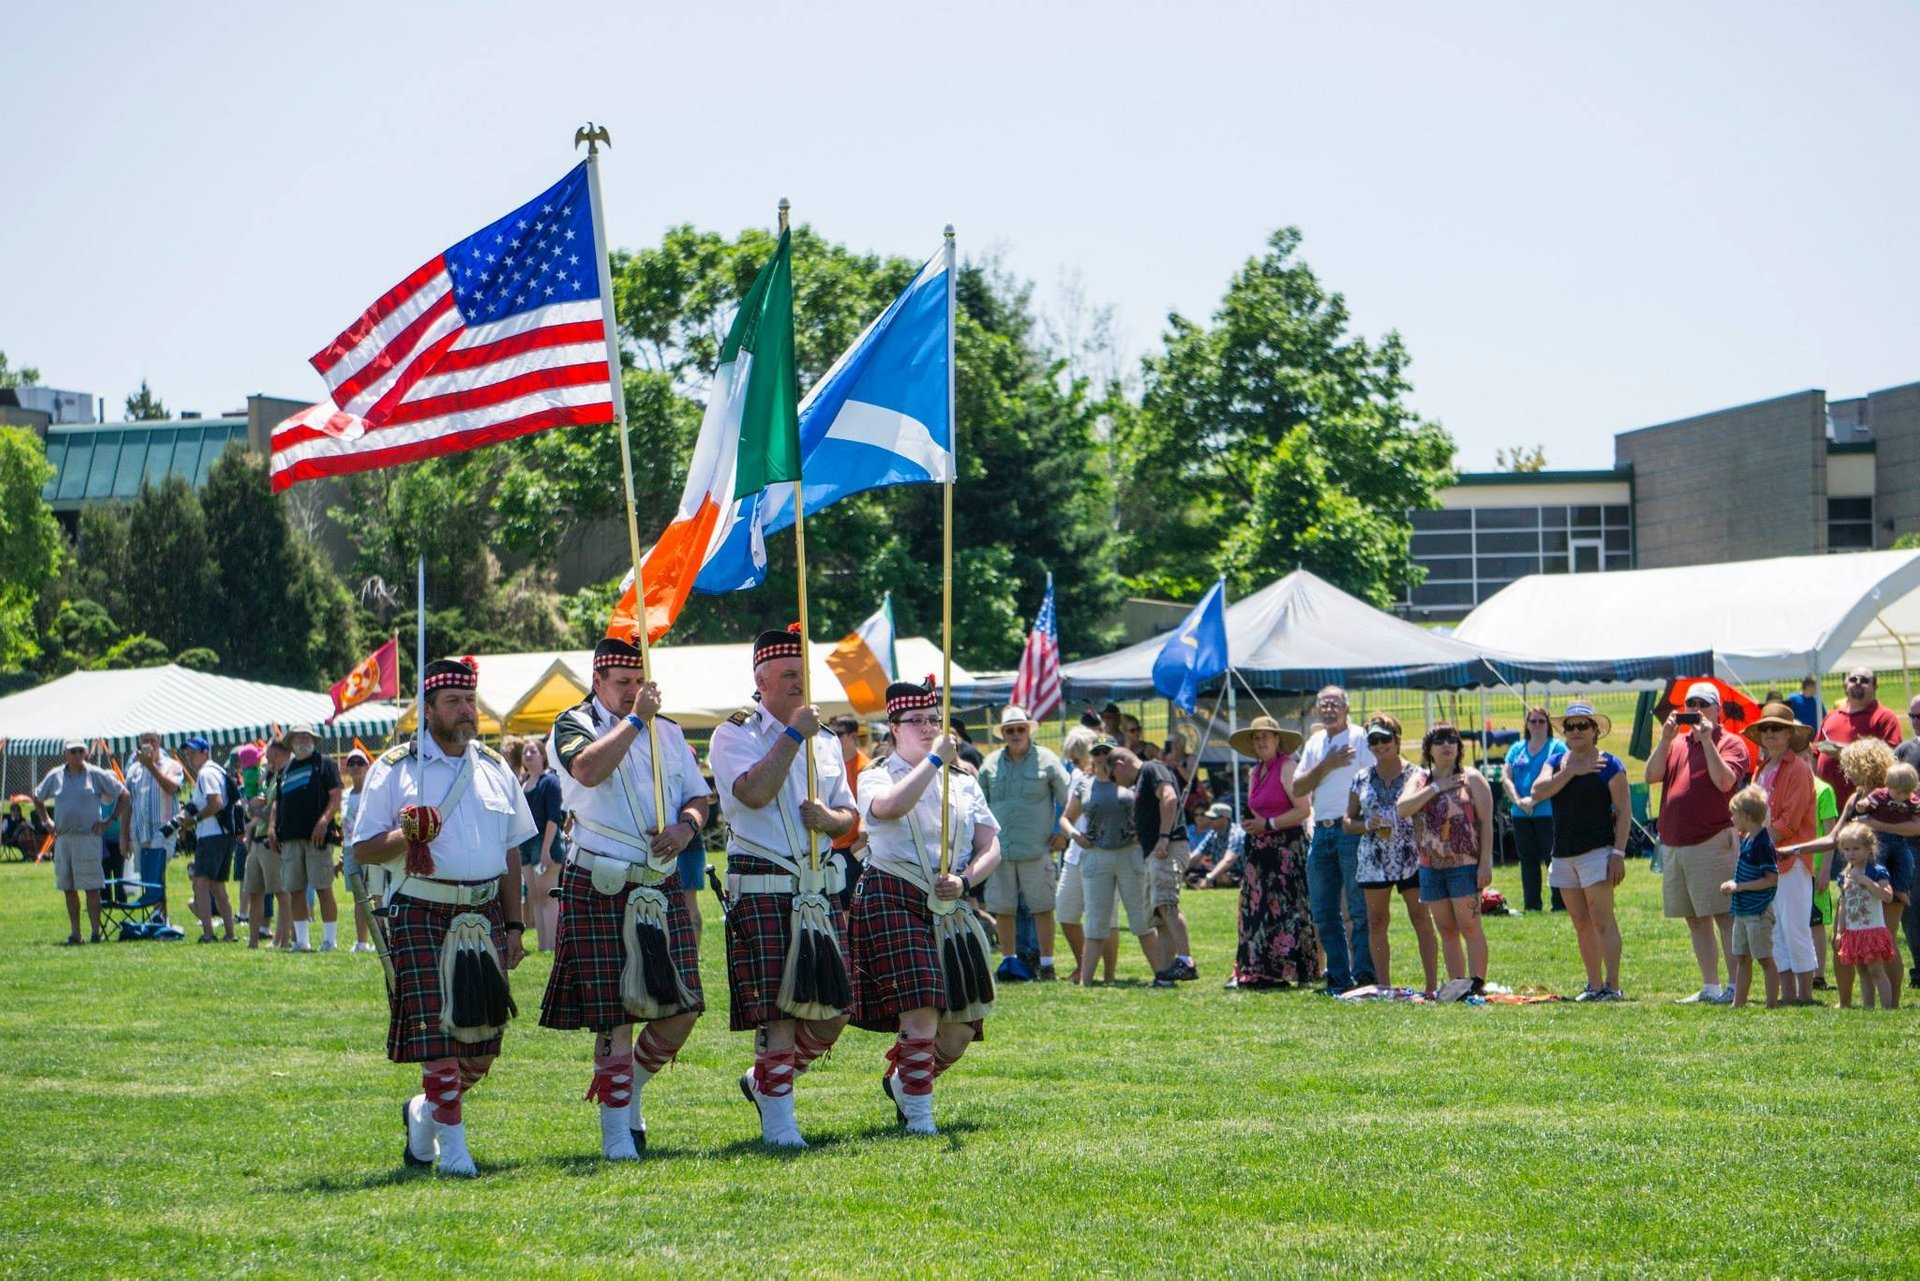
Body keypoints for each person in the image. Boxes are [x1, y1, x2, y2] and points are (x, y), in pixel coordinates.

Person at [349, 656, 535, 1178]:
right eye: (452, 701)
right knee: (439, 1037)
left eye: (469, 700)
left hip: (482, 914)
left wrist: (516, 924)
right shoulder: (394, 769)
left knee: (482, 1044)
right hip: (420, 910)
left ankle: (425, 1111)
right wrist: (405, 835)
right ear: (427, 709)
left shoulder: (497, 768)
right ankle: (453, 1151)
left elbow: (512, 852)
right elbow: (363, 849)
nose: (465, 710)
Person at [540, 636, 711, 1161]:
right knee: (615, 1013)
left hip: (657, 884)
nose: (634, 691)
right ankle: (616, 1135)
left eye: (640, 682)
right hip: (600, 882)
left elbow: (698, 794)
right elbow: (587, 771)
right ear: (597, 681)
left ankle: (631, 1086)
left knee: (683, 1008)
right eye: (623, 683)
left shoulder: (670, 732)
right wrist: (634, 721)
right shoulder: (573, 724)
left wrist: (687, 827)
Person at [706, 625, 859, 1149]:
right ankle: (779, 1123)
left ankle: (763, 1081)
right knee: (777, 1010)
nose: (800, 683)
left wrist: (831, 818)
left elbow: (849, 819)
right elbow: (752, 793)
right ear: (762, 679)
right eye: (789, 674)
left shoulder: (830, 740)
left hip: (818, 887)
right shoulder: (735, 733)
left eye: (804, 674)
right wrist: (793, 735)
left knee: (834, 1012)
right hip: (764, 884)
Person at [850, 677, 1003, 1136]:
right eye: (915, 721)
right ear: (893, 728)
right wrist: (936, 759)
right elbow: (889, 808)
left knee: (960, 1029)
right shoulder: (875, 774)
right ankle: (920, 1119)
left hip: (948, 901)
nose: (927, 727)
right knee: (920, 1007)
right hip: (892, 892)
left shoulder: (963, 782)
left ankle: (905, 1083)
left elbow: (992, 845)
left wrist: (965, 878)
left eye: (933, 720)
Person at [1645, 681, 1750, 1005]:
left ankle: (1734, 986)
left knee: (1722, 915)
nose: (1696, 710)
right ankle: (1710, 986)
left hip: (1712, 840)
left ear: (1718, 710)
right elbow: (1651, 775)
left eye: (1703, 704)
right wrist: (1664, 740)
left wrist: (1707, 743)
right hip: (1676, 843)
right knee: (1694, 918)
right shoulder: (1676, 743)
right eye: (1691, 704)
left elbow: (1725, 782)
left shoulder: (1731, 743)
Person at [1529, 703, 1629, 1000]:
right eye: (1570, 727)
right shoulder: (1557, 762)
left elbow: (1624, 812)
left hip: (1598, 851)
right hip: (1562, 854)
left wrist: (1619, 854)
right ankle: (1594, 985)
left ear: (1595, 730)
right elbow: (1537, 792)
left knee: (1602, 919)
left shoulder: (1610, 765)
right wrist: (1571, 771)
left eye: (1582, 726)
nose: (1576, 731)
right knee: (1581, 923)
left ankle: (1612, 986)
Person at [1217, 716, 1317, 990]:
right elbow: (1258, 809)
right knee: (1255, 909)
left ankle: (1284, 969)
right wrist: (1254, 825)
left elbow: (1303, 810)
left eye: (1266, 736)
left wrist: (1269, 824)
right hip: (1260, 848)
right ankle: (1255, 970)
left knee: (1285, 909)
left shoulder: (1287, 767)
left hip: (1286, 848)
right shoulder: (1255, 772)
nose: (1261, 741)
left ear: (1277, 740)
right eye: (1256, 737)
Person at [1398, 724, 1494, 994]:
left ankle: (1476, 984)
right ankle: (1458, 986)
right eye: (1439, 741)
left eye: (1452, 740)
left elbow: (1487, 824)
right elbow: (1403, 808)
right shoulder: (1420, 780)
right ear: (1429, 749)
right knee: (1446, 929)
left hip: (1464, 865)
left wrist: (1485, 863)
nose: (1446, 745)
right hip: (1430, 867)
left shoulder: (1472, 778)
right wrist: (1436, 787)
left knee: (1469, 925)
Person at [977, 706, 1071, 981]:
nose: (1016, 734)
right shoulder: (990, 764)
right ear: (1003, 734)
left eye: (1020, 729)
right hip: (1000, 851)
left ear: (1029, 730)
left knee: (1042, 907)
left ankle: (1047, 964)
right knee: (1003, 909)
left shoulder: (1048, 760)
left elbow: (1069, 800)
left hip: (1037, 849)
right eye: (1010, 730)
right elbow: (978, 806)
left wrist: (1061, 832)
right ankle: (1010, 963)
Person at [1346, 715, 1437, 995]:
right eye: (1373, 740)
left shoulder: (1418, 775)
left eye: (1385, 738)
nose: (1379, 745)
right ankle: (1383, 986)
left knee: (1421, 919)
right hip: (1374, 858)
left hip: (1412, 855)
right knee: (1377, 921)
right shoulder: (1361, 777)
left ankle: (1432, 987)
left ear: (1397, 739)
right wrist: (1365, 824)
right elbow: (1347, 822)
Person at [1295, 686, 1375, 992]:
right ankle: (1339, 976)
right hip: (1321, 829)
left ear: (1347, 707)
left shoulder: (1360, 738)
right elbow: (1299, 786)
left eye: (1334, 704)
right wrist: (1327, 764)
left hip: (1350, 831)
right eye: (1323, 705)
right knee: (1324, 911)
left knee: (1357, 909)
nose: (1328, 709)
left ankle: (1365, 973)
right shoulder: (1315, 742)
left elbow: (1373, 779)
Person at [1062, 737, 1157, 985]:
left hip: (1129, 853)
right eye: (1097, 752)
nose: (1102, 756)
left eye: (1107, 751)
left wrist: (1143, 833)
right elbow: (1066, 818)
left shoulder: (1130, 782)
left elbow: (1152, 810)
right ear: (1092, 756)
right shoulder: (1084, 785)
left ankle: (1162, 974)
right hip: (1097, 855)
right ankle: (1087, 981)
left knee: (1141, 918)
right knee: (1095, 919)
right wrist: (1075, 835)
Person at [1744, 702, 1819, 1005]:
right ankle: (1788, 995)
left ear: (1790, 734)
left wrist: (1757, 843)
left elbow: (1790, 820)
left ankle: (1805, 994)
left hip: (1791, 859)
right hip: (1768, 860)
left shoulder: (1798, 770)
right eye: (1765, 728)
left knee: (1795, 927)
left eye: (1777, 728)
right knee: (1775, 929)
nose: (1770, 733)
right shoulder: (1761, 770)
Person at [1108, 746, 1198, 986]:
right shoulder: (1142, 779)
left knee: (1167, 904)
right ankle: (1164, 975)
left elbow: (1169, 797)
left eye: (1113, 776)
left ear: (1119, 764)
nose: (1116, 782)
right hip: (1155, 851)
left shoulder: (1151, 768)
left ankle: (1186, 961)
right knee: (1160, 916)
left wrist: (1164, 836)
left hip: (1167, 849)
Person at [35, 740, 128, 944]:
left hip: (88, 838)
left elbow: (124, 795)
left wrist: (109, 820)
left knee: (92, 887)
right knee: (68, 887)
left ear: (86, 753)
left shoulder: (96, 774)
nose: (77, 754)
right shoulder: (55, 775)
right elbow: (37, 796)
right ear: (65, 754)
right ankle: (76, 933)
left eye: (81, 751)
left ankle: (96, 933)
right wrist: (46, 821)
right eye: (73, 751)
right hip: (64, 838)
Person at [270, 724, 343, 952]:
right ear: (291, 742)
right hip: (290, 838)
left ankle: (329, 941)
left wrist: (324, 821)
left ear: (313, 739)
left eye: (307, 736)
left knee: (323, 887)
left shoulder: (326, 764)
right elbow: (277, 802)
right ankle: (302, 942)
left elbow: (336, 796)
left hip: (317, 838)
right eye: (298, 737)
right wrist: (272, 827)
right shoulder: (285, 769)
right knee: (295, 890)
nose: (303, 740)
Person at [1053, 727, 1119, 982]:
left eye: (1076, 756)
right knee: (1066, 913)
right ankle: (1084, 966)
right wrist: (1072, 835)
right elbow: (1067, 817)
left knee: (1106, 919)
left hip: (1104, 854)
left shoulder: (1113, 780)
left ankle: (1109, 974)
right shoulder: (1077, 780)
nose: (1073, 761)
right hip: (1075, 855)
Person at [1720, 787, 1780, 1009]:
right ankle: (1739, 1003)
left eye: (1734, 814)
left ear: (1745, 816)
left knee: (1764, 958)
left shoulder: (1763, 844)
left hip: (1758, 911)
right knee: (1742, 957)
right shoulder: (1747, 839)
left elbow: (1771, 879)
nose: (1732, 818)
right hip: (1743, 910)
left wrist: (1739, 887)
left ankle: (1772, 1004)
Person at [1502, 708, 1563, 913]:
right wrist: (1519, 801)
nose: (1537, 725)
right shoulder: (1517, 749)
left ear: (1548, 724)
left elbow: (1558, 779)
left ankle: (1560, 903)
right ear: (1526, 724)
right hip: (1521, 814)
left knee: (1552, 859)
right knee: (1527, 861)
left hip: (1548, 813)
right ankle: (1532, 905)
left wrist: (1535, 799)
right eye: (1533, 721)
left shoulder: (1556, 748)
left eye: (1541, 721)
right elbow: (1506, 777)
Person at [1830, 821, 1897, 1009]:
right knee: (1862, 971)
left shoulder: (1875, 871)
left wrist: (1868, 882)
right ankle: (1869, 1007)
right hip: (1854, 931)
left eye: (1856, 848)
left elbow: (1888, 896)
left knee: (1876, 969)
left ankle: (1887, 1008)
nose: (1851, 853)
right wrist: (1839, 931)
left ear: (1869, 848)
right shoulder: (1845, 875)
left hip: (1872, 929)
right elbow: (1843, 903)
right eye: (1847, 849)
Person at [1814, 667, 1902, 808]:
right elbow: (1814, 754)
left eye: (1865, 680)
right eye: (1853, 679)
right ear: (1846, 685)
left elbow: (1891, 759)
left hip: (1864, 806)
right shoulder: (1831, 716)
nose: (1858, 682)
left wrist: (1845, 752)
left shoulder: (1884, 717)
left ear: (1875, 686)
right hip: (1827, 806)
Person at [177, 736, 236, 943]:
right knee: (218, 886)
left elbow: (216, 803)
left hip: (211, 835)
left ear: (205, 752)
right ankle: (230, 933)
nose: (190, 757)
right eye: (187, 754)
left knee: (201, 884)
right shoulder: (217, 771)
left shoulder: (206, 773)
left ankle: (209, 933)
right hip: (223, 835)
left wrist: (194, 819)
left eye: (193, 752)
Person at [122, 731, 183, 914]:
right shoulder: (133, 770)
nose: (149, 744)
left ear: (159, 742)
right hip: (140, 829)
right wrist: (123, 836)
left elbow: (172, 787)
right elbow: (128, 804)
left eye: (153, 741)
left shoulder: (172, 765)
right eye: (145, 741)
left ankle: (161, 917)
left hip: (163, 829)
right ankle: (153, 915)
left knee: (158, 872)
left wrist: (151, 766)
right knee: (147, 874)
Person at [514, 738, 566, 953]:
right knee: (535, 897)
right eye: (526, 752)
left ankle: (552, 946)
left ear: (543, 755)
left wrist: (545, 849)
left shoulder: (550, 781)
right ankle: (543, 945)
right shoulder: (522, 783)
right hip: (525, 845)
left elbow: (554, 818)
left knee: (547, 896)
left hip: (546, 843)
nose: (528, 755)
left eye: (533, 751)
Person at [243, 741, 292, 949]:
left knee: (281, 893)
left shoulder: (284, 777)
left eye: (268, 751)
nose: (265, 755)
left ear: (276, 752)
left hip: (270, 843)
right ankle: (253, 942)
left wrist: (253, 810)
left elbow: (276, 812)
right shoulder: (269, 777)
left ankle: (283, 941)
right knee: (254, 893)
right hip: (256, 842)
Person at [827, 714, 871, 910]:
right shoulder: (828, 765)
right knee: (835, 905)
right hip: (830, 846)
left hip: (854, 847)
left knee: (854, 906)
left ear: (853, 736)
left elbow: (869, 809)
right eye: (829, 733)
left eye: (838, 734)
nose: (832, 739)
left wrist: (861, 842)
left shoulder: (865, 767)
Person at [340, 747, 377, 953]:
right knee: (359, 897)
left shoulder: (372, 792)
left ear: (367, 766)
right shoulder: (345, 795)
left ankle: (382, 939)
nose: (355, 767)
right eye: (351, 763)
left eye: (359, 763)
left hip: (369, 847)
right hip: (349, 849)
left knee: (375, 894)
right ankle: (362, 942)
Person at [1190, 802, 1244, 888]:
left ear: (1225, 818)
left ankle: (1209, 882)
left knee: (1223, 878)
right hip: (1217, 870)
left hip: (1237, 872)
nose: (1208, 821)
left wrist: (1209, 878)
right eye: (1208, 817)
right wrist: (1178, 871)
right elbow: (1196, 854)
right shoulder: (1212, 833)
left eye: (1213, 818)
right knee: (1190, 874)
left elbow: (1228, 861)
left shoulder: (1235, 833)